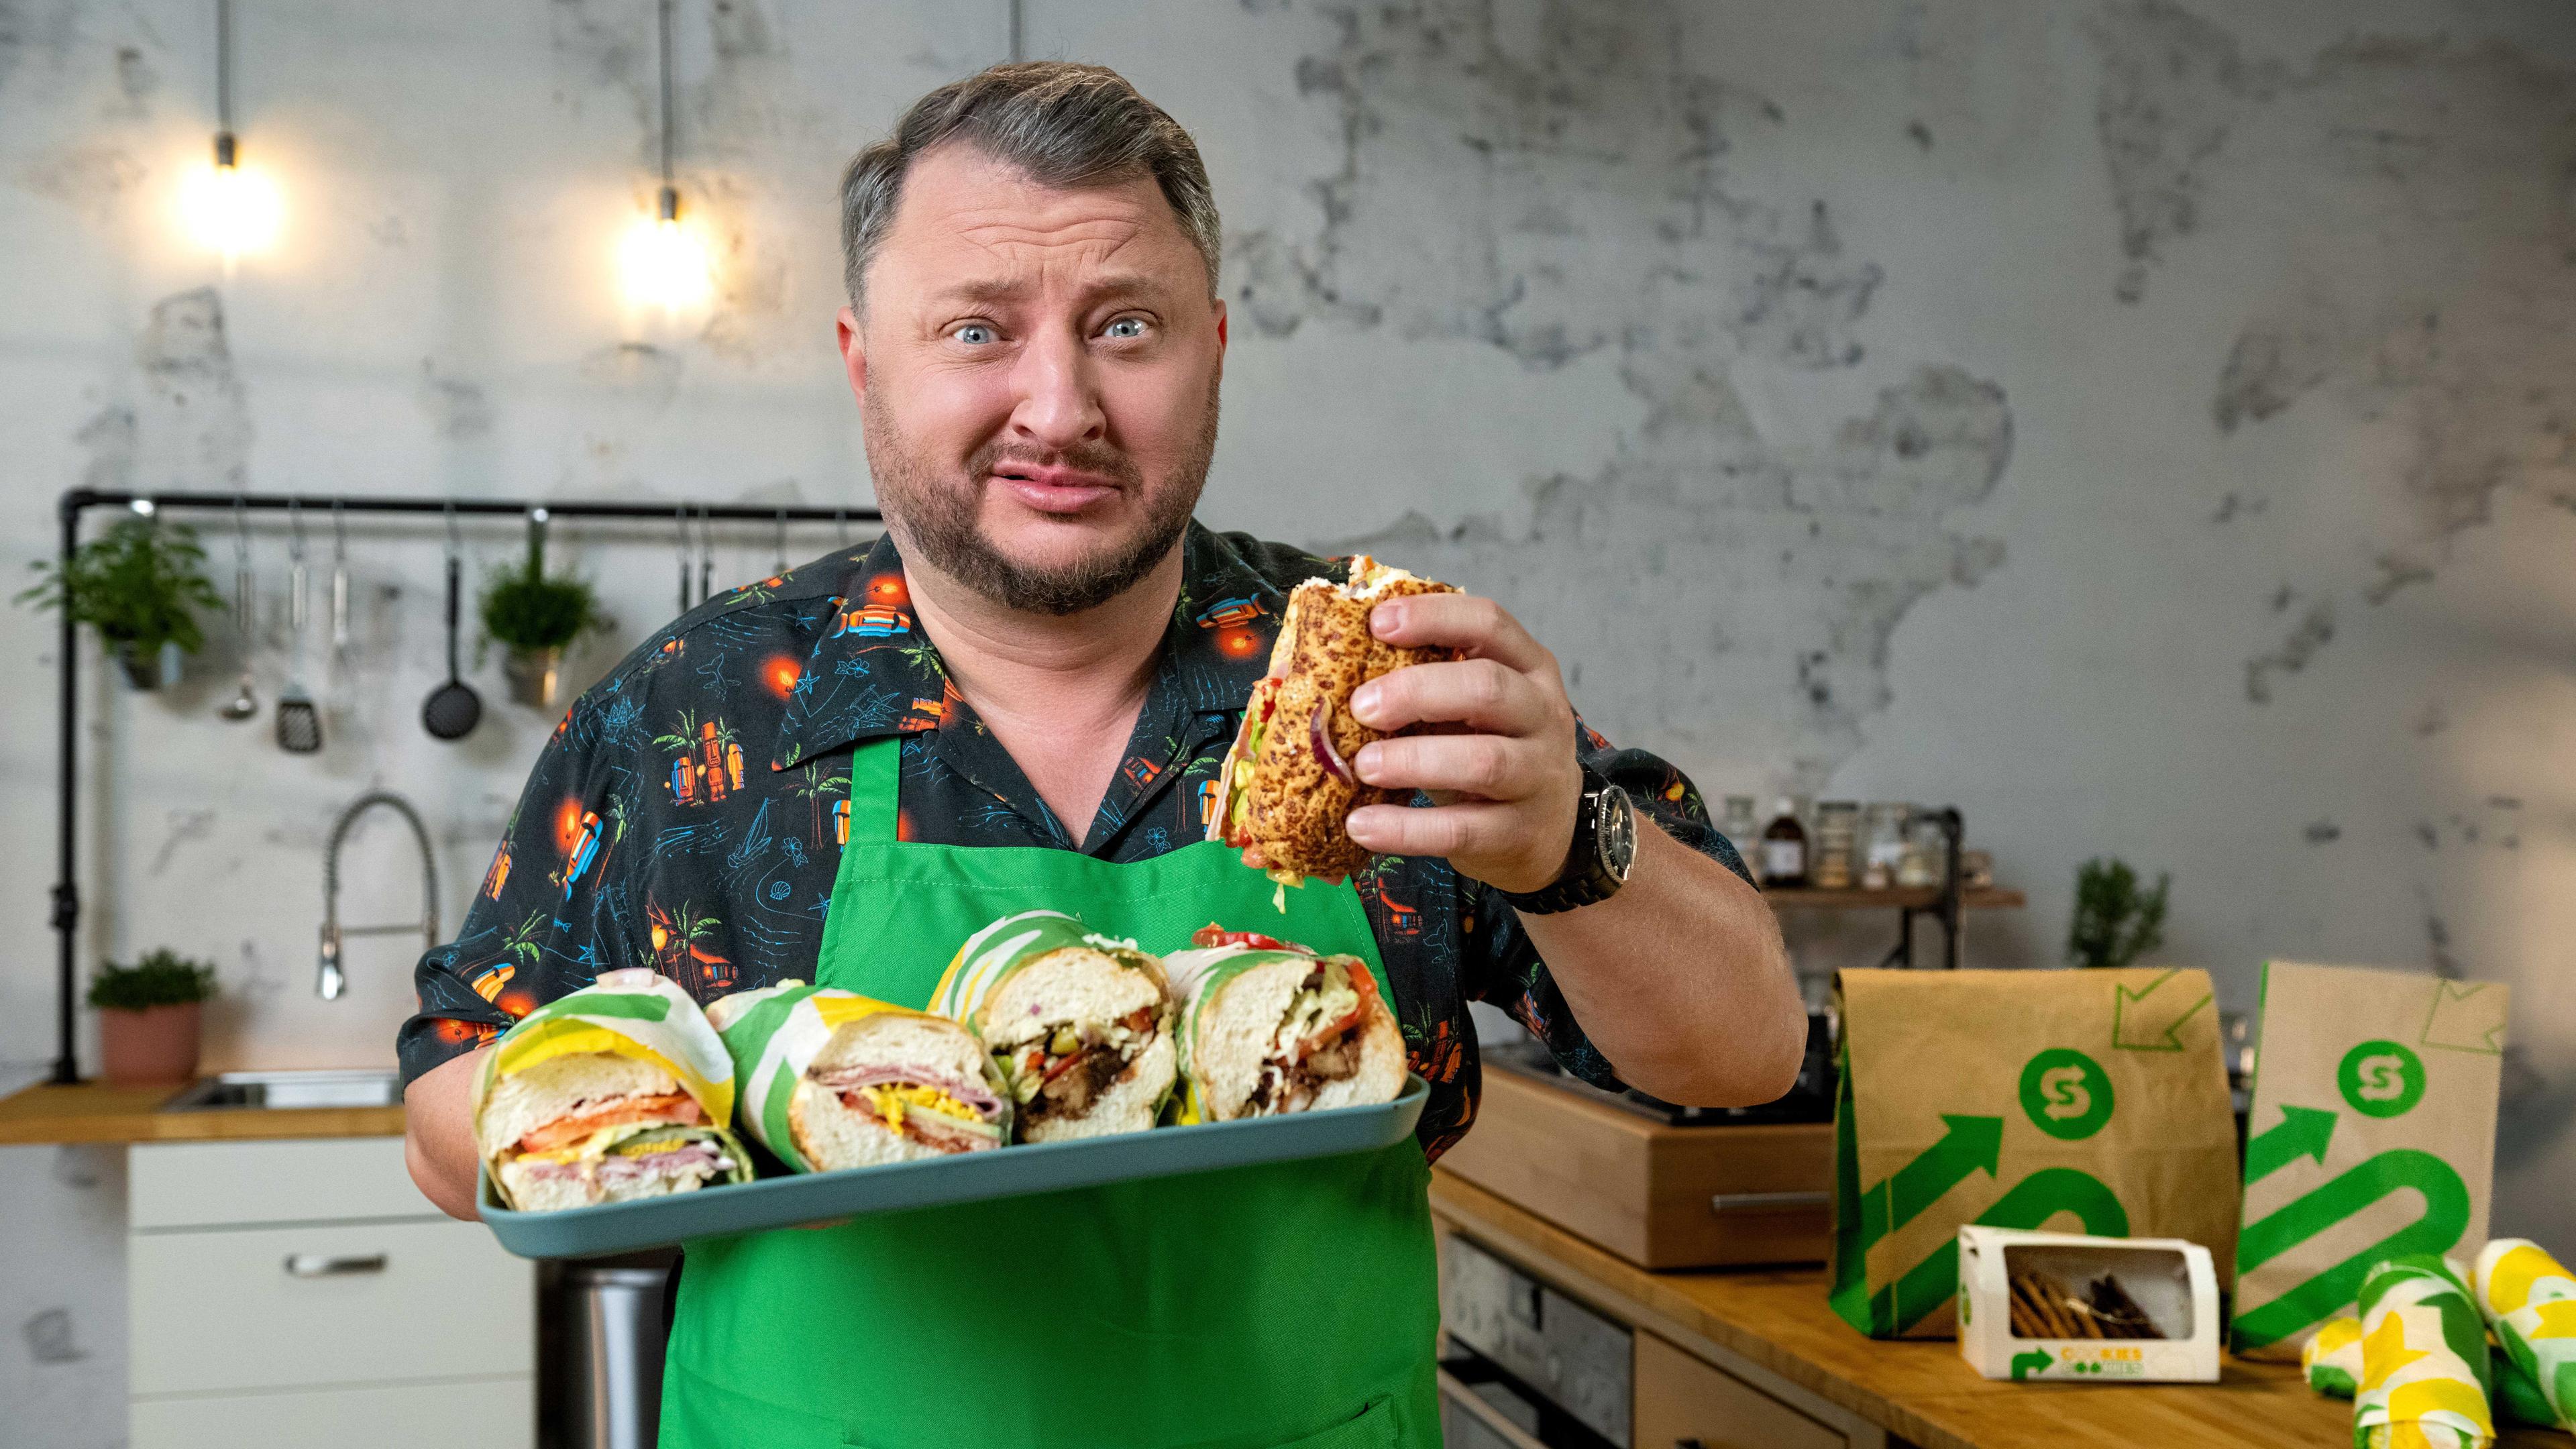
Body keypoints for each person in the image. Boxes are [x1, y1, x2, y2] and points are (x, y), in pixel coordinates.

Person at [400, 60, 1799, 1449]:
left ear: (1215, 349)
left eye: (1126, 326)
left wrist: (1573, 850)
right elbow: (445, 1112)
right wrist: (703, 1127)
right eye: (977, 332)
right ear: (861, 361)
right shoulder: (701, 712)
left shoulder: (1386, 690)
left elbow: (1744, 1056)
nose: (1059, 406)